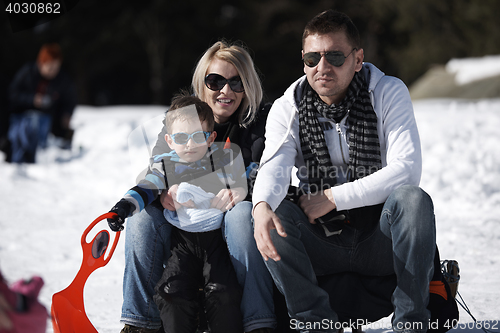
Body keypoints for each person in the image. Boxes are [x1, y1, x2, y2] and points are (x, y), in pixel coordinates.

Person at [252, 10, 455, 333]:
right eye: (312, 58)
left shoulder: (388, 92)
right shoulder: (287, 105)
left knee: (413, 200)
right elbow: (274, 166)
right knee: (273, 212)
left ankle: (411, 323)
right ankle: (316, 325)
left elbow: (406, 170)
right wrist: (261, 204)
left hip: (379, 235)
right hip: (323, 237)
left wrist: (332, 197)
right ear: (302, 60)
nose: (322, 67)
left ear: (358, 59)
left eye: (334, 56)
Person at [119, 41, 276, 333]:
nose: (225, 91)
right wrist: (163, 192)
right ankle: (141, 322)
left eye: (235, 82)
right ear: (202, 84)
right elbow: (156, 167)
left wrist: (244, 190)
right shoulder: (181, 118)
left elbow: (270, 172)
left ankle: (258, 320)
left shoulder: (260, 122)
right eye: (215, 81)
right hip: (184, 227)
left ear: (248, 86)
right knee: (141, 218)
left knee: (242, 216)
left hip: (228, 219)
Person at [108, 94, 246, 333]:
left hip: (217, 242)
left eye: (198, 136)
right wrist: (124, 207)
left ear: (211, 137)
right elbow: (146, 187)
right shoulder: (165, 166)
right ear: (170, 141)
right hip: (182, 244)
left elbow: (252, 176)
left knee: (223, 292)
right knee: (171, 292)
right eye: (182, 138)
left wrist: (240, 189)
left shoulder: (223, 159)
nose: (190, 144)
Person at [8, 43, 76, 165]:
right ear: (41, 63)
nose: (53, 72)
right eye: (50, 68)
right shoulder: (28, 73)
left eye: (56, 68)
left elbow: (69, 100)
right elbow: (12, 94)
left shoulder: (61, 79)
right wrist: (32, 100)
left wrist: (67, 114)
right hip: (21, 117)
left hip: (47, 120)